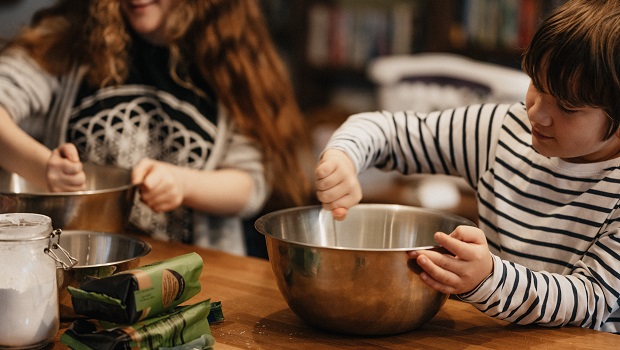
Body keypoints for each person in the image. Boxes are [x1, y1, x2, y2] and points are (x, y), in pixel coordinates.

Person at [315, 0, 620, 333]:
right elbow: (387, 131)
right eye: (537, 84)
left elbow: (591, 300)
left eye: (566, 106)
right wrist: (343, 157)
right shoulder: (502, 130)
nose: (536, 113)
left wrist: (489, 278)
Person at [0, 0, 310, 255]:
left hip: (191, 273)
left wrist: (182, 184)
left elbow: (249, 186)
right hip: (71, 261)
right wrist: (43, 169)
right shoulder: (67, 38)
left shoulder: (232, 57)